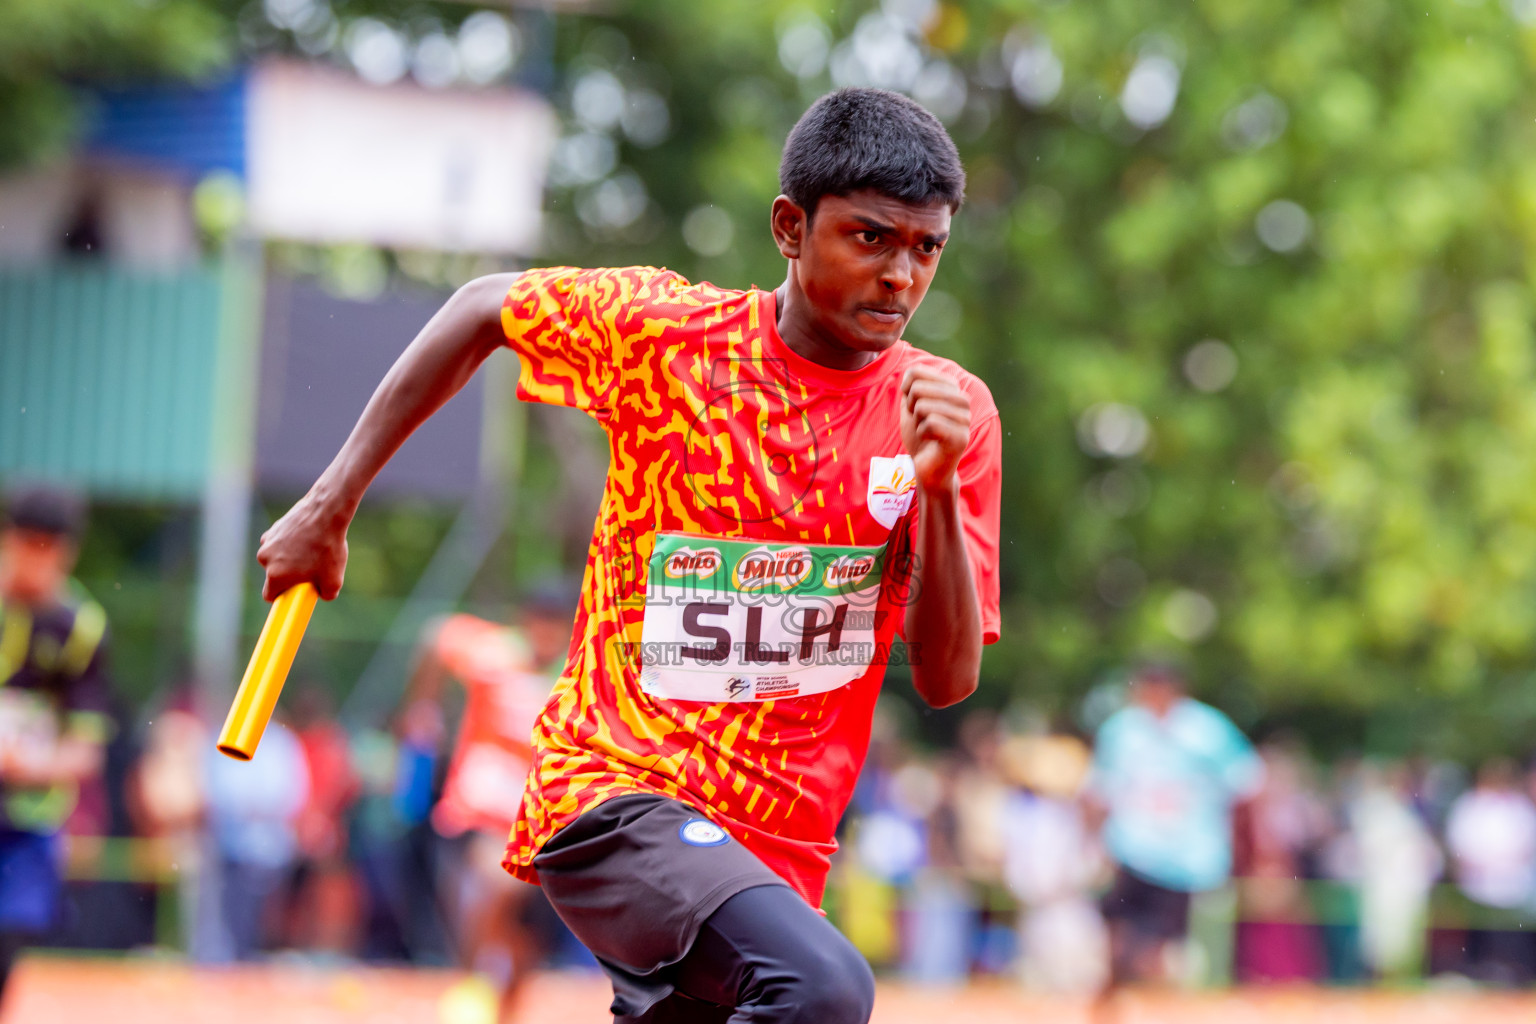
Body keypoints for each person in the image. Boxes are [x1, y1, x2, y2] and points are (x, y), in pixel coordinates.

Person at [257, 86, 1001, 1024]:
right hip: (613, 791)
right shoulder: (670, 337)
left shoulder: (949, 416)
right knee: (822, 990)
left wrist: (936, 490)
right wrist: (330, 505)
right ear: (789, 227)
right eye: (871, 238)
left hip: (773, 858)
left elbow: (946, 679)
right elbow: (483, 307)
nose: (901, 276)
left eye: (927, 248)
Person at [402, 589, 573, 1021]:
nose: (546, 636)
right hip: (478, 807)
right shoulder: (495, 653)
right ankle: (472, 984)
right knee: (490, 881)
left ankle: (502, 1006)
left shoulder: (571, 676)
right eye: (540, 623)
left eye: (555, 627)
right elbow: (435, 636)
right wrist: (423, 707)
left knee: (526, 936)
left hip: (539, 815)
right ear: (526, 619)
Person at [0, 485, 114, 1000]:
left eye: (51, 550)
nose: (38, 563)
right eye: (29, 546)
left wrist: (24, 765)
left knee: (10, 934)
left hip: (27, 816)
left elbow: (85, 748)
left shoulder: (80, 630)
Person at [1088, 664, 1263, 991]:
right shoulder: (1122, 730)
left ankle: (1148, 994)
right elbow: (1100, 793)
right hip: (1131, 849)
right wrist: (1095, 844)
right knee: (1118, 930)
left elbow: (1247, 786)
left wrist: (1247, 849)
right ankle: (1116, 992)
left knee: (1162, 944)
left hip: (1184, 859)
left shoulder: (1207, 729)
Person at [1444, 758, 1536, 984]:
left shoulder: (1517, 806)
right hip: (1477, 886)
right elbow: (1459, 845)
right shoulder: (1469, 805)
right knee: (1480, 938)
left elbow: (1527, 843)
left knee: (1512, 939)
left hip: (1513, 888)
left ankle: (1514, 977)